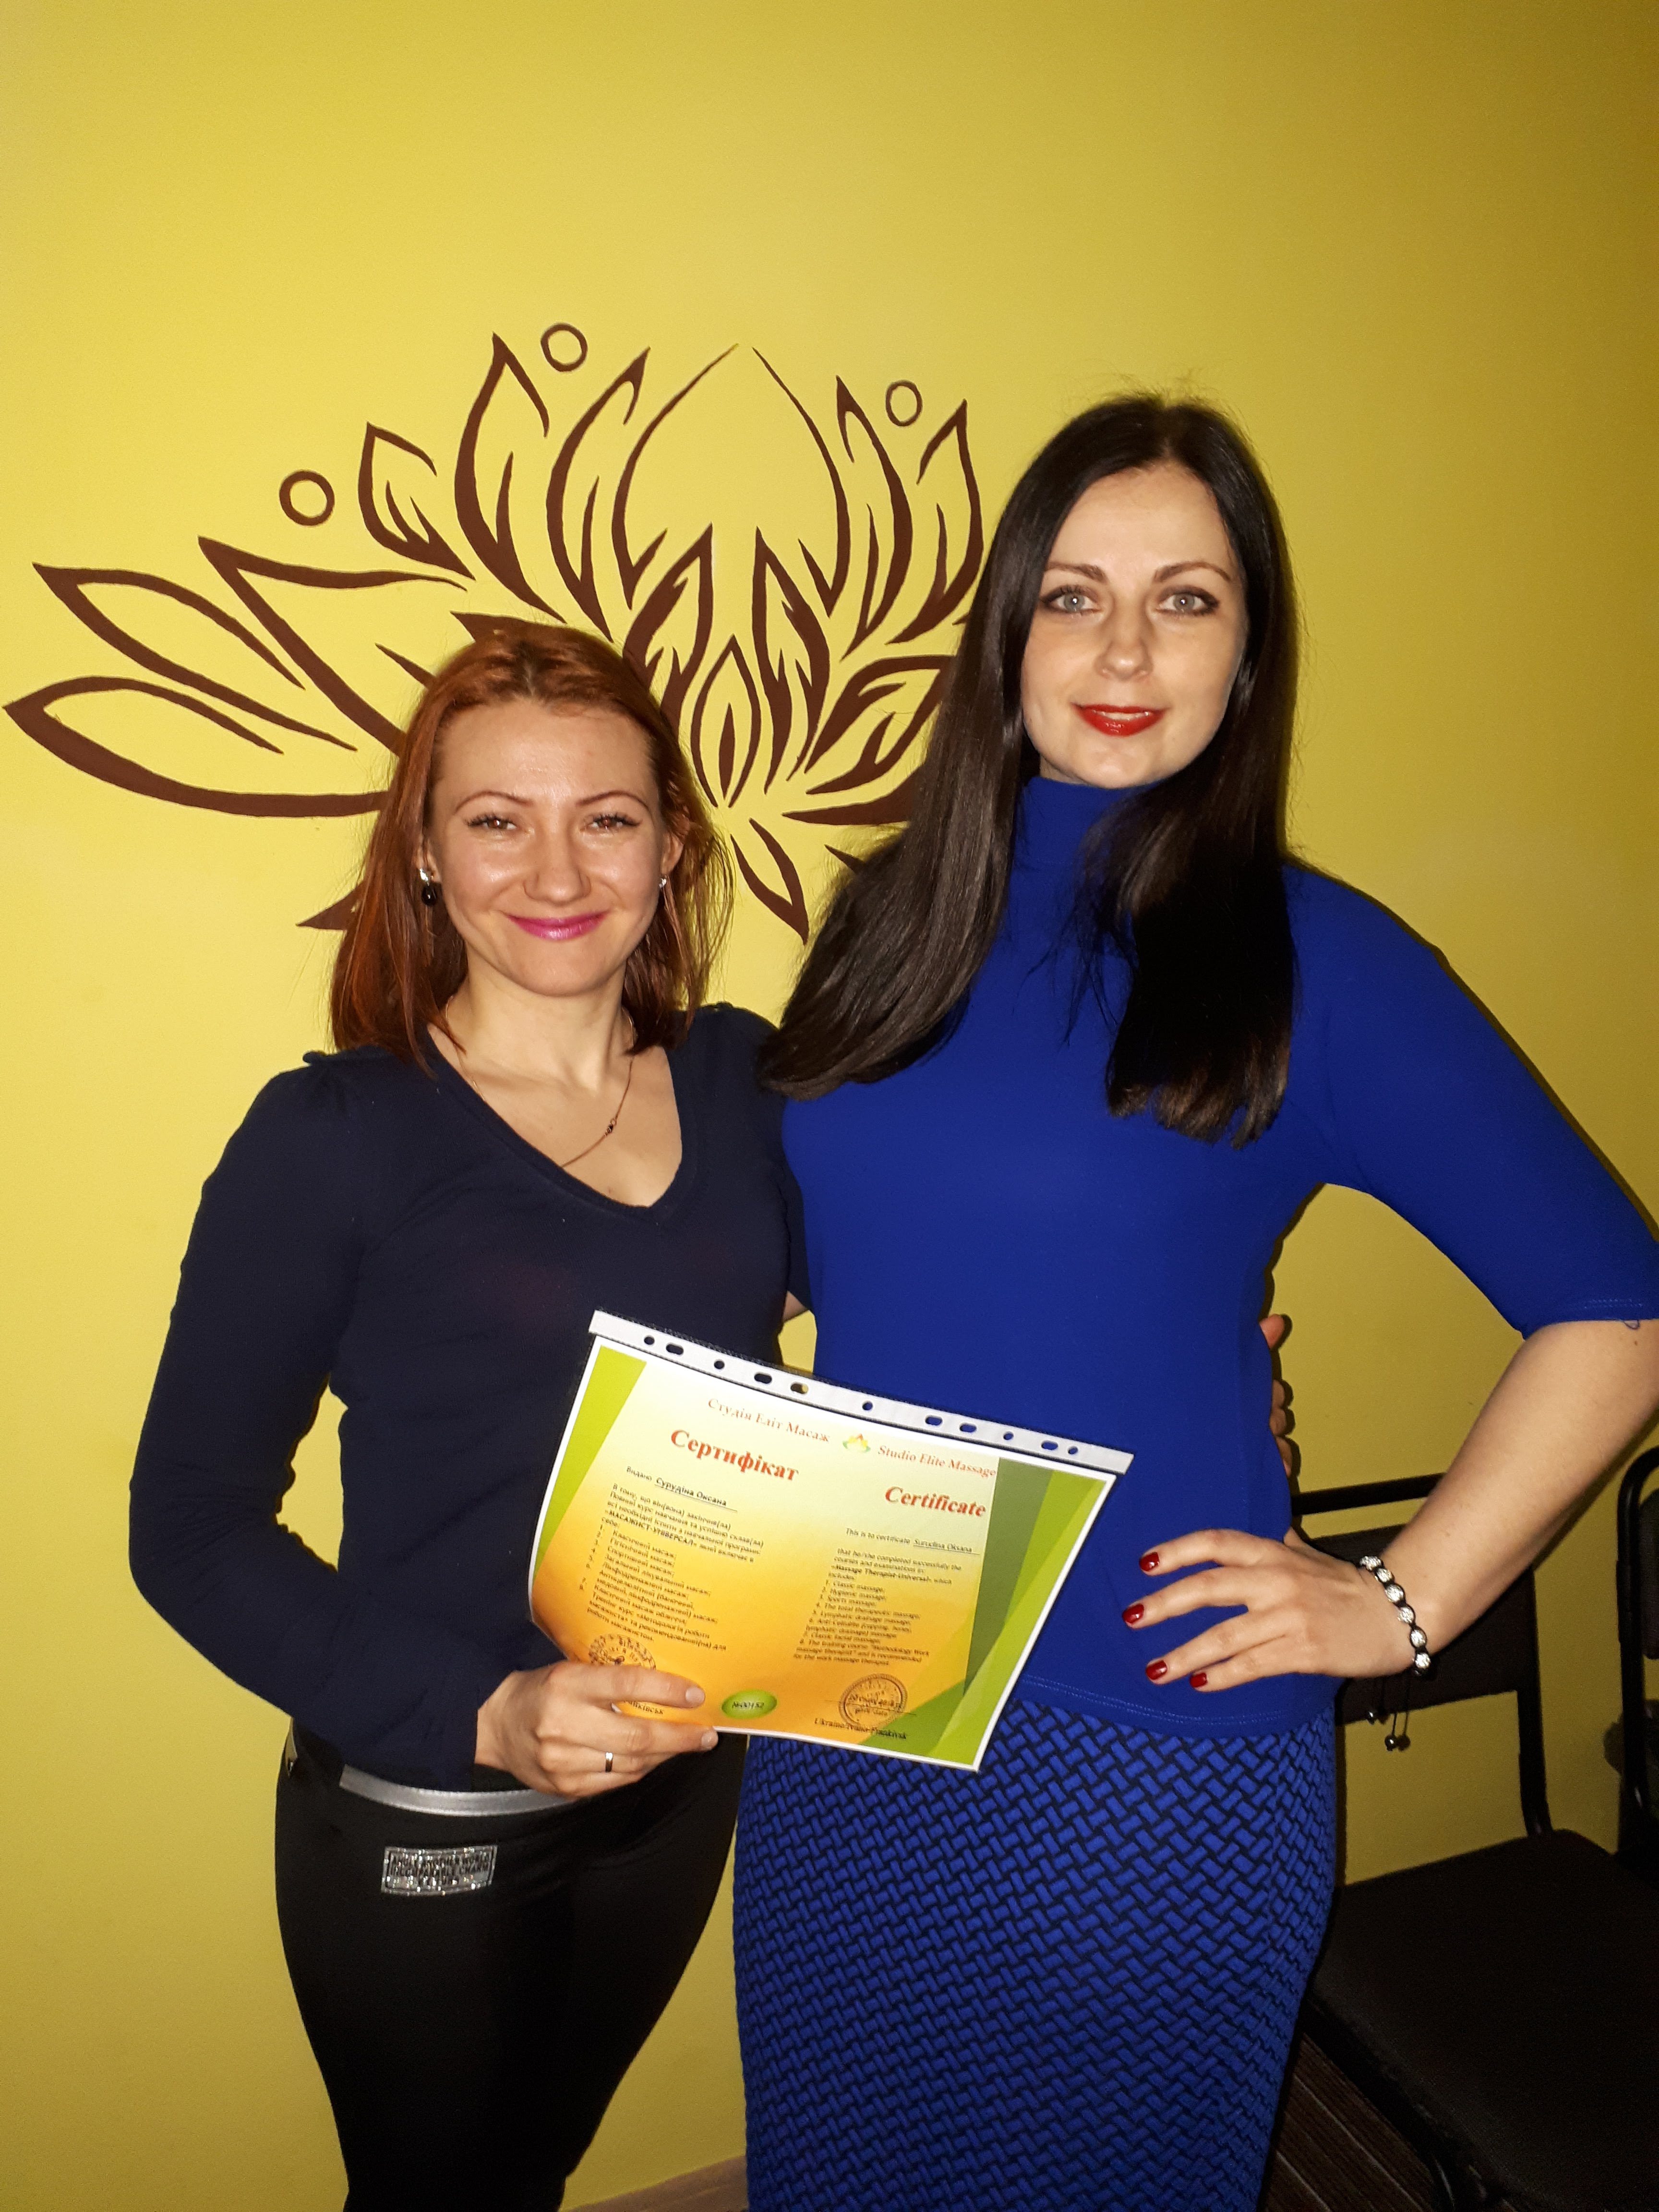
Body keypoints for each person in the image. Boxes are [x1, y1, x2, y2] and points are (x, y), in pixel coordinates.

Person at [737, 397, 1659, 2212]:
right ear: (1006, 637)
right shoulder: (884, 923)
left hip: (1140, 1738)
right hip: (849, 1690)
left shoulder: (1317, 957)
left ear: (1250, 658)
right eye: (1075, 596)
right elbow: (867, 1261)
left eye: (1188, 601)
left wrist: (1400, 1603)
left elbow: (1618, 1310)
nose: (1124, 653)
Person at [128, 624, 811, 2211]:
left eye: (607, 818)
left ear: (671, 845)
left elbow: (925, 1315)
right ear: (426, 853)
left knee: (536, 2168)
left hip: (682, 1768)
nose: (557, 870)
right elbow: (190, 1532)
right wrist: (492, 1715)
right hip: (435, 1795)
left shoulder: (748, 1083)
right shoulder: (338, 1135)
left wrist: (1181, 1352)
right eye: (498, 819)